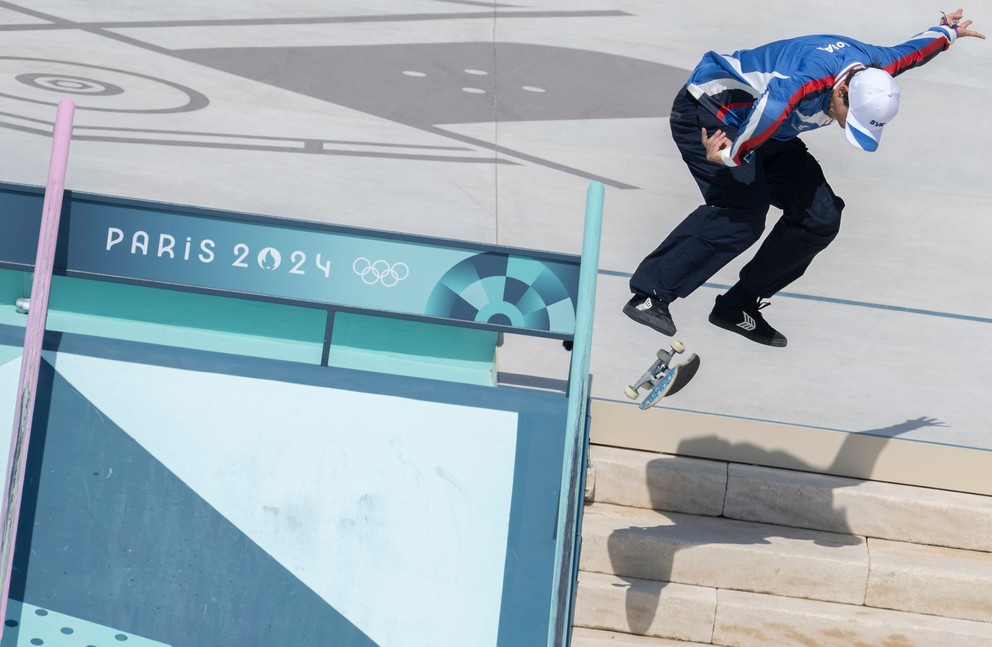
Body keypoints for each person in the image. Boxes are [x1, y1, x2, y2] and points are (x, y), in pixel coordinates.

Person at [623, 9, 985, 347]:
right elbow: (771, 108)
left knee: (821, 217)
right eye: (848, 115)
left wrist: (947, 32)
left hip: (770, 130)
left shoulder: (878, 67)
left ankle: (738, 306)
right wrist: (731, 156)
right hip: (714, 114)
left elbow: (911, 53)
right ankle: (650, 295)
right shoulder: (810, 79)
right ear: (841, 91)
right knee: (742, 212)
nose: (844, 123)